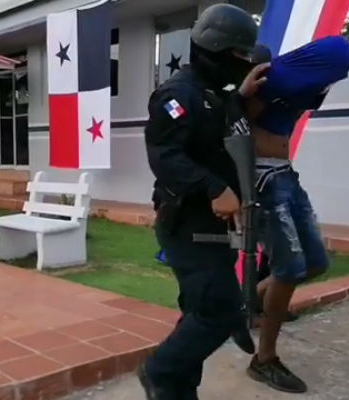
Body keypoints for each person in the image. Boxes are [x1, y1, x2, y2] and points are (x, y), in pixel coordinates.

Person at [138, 4, 270, 399]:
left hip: (210, 227)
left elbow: (214, 130)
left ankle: (178, 389)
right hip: (186, 225)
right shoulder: (177, 95)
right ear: (215, 50)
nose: (242, 64)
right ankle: (160, 371)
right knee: (219, 311)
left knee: (199, 311)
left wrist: (240, 96)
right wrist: (215, 188)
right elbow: (165, 155)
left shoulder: (215, 93)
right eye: (238, 56)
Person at [242, 35, 349, 393]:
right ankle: (264, 359)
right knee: (287, 269)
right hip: (262, 179)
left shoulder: (302, 89)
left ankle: (244, 306)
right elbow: (238, 130)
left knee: (316, 263)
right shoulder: (268, 81)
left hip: (285, 175)